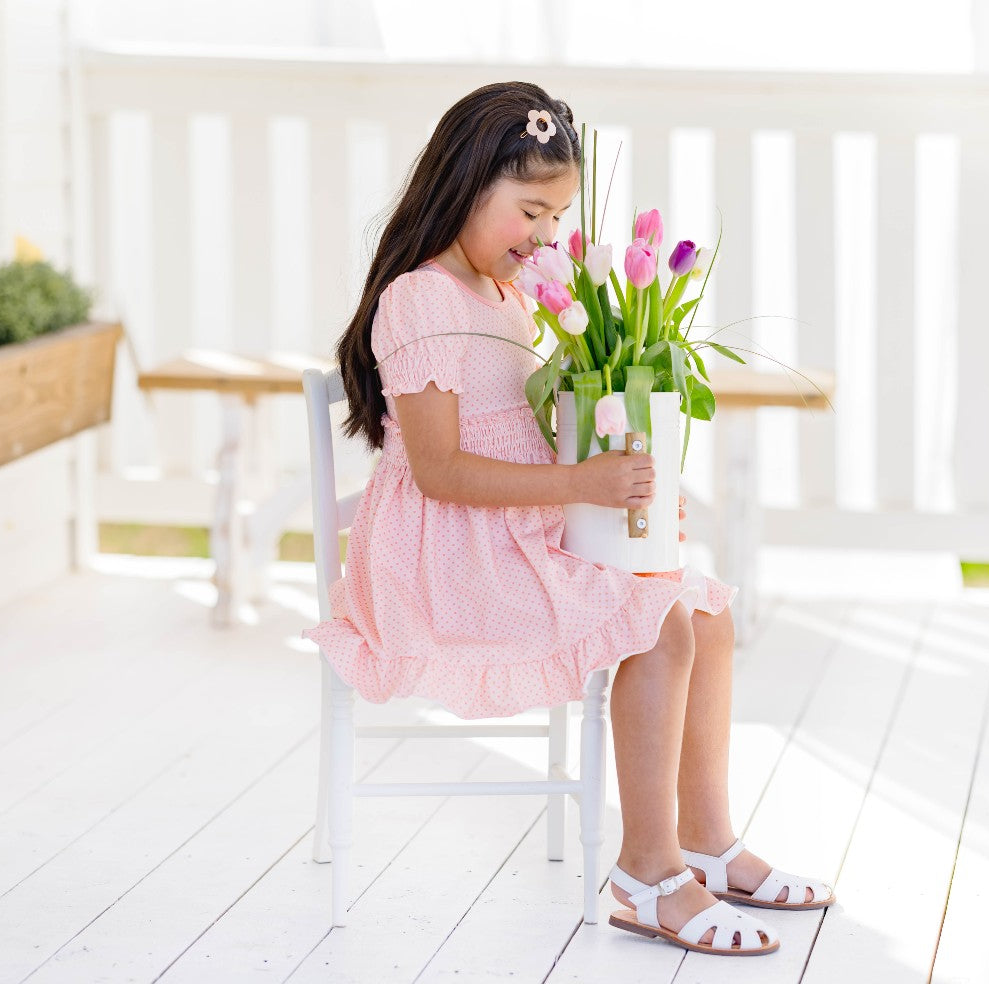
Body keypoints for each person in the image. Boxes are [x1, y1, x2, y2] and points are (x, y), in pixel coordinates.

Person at [302, 80, 833, 957]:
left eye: (556, 217)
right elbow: (439, 472)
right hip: (444, 564)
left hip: (514, 534)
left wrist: (624, 482)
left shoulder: (508, 297)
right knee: (658, 627)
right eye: (531, 212)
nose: (547, 237)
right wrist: (584, 483)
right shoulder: (421, 299)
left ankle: (706, 840)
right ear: (466, 184)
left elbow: (527, 430)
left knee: (705, 607)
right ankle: (646, 873)